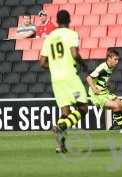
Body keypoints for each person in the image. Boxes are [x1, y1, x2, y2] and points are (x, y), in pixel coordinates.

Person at [39, 10, 88, 153]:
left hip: (56, 80)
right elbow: (74, 53)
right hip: (70, 77)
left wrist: (54, 67)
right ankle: (60, 127)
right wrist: (84, 65)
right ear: (69, 20)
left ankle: (60, 145)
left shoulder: (49, 37)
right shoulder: (71, 34)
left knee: (65, 113)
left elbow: (42, 62)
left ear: (57, 21)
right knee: (83, 108)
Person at [87, 49, 122, 132]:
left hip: (105, 92)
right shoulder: (102, 67)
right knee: (116, 106)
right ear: (109, 58)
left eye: (118, 59)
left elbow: (105, 78)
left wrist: (107, 84)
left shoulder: (110, 67)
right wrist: (94, 88)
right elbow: (89, 78)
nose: (117, 61)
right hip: (97, 95)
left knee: (121, 104)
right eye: (115, 59)